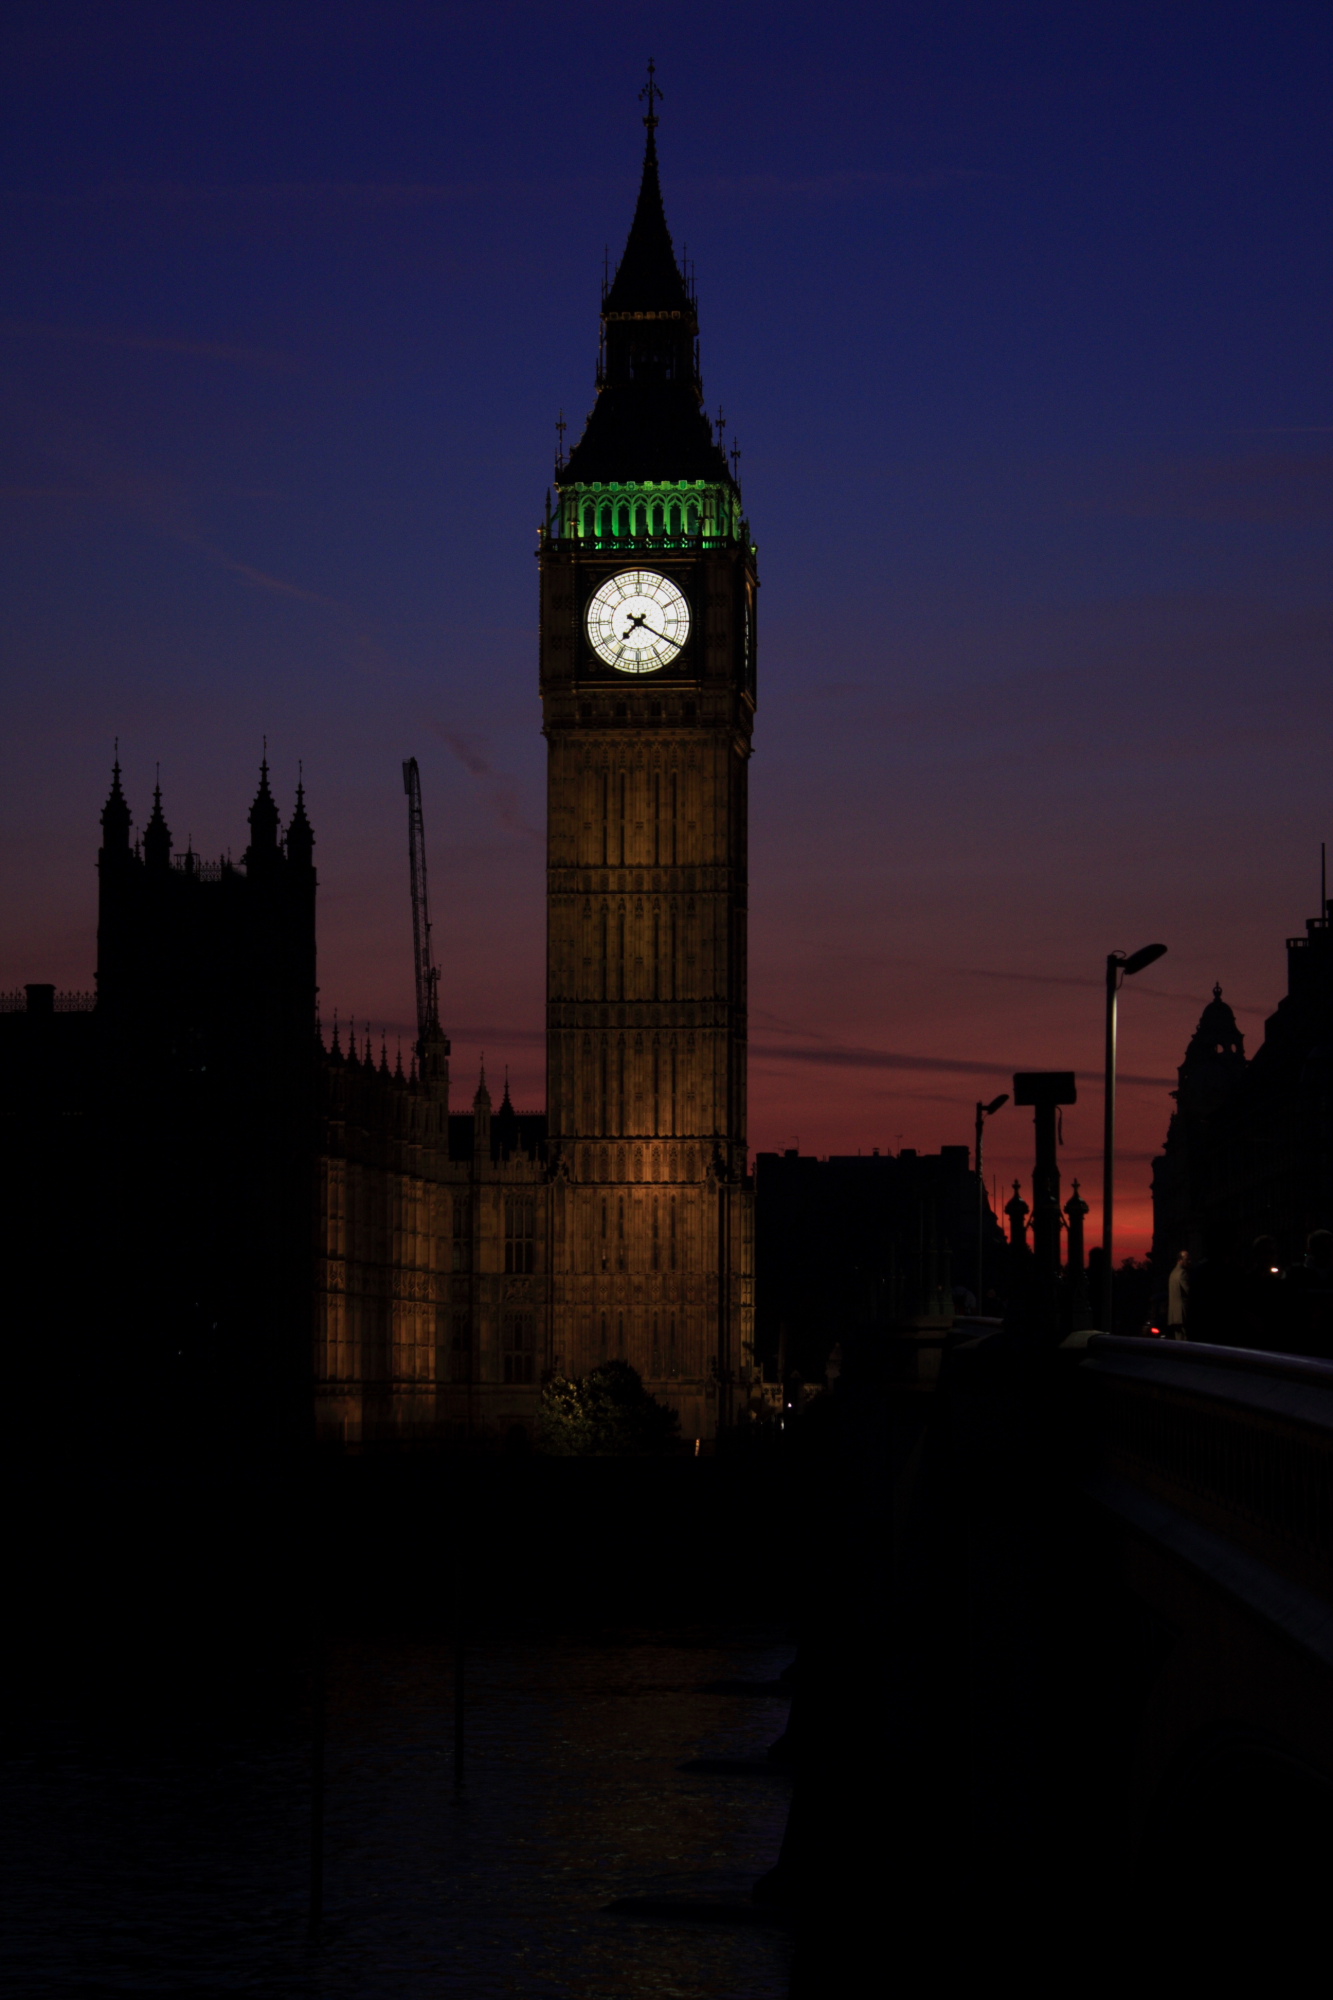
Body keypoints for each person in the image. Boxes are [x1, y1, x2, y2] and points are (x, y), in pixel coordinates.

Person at [1285, 1229, 1333, 1360]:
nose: (1325, 1251)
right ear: (1312, 1249)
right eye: (1321, 1247)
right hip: (1305, 1338)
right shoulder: (1296, 1274)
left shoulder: (1296, 1273)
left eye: (1328, 1247)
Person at [1167, 1250, 1190, 1340]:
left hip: (1174, 1313)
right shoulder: (1182, 1273)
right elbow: (1189, 1291)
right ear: (1180, 1260)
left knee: (1179, 1338)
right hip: (1182, 1312)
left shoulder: (1173, 1273)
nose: (1189, 1262)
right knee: (1185, 1338)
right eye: (1187, 1259)